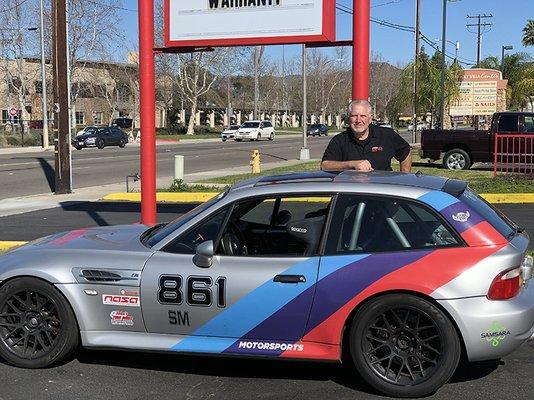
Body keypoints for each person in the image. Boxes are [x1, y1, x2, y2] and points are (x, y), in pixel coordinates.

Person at [321, 100, 412, 172]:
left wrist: (404, 177)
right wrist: (351, 165)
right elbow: (325, 166)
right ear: (349, 118)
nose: (358, 120)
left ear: (370, 118)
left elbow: (405, 152)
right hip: (351, 191)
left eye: (363, 116)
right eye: (354, 116)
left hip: (383, 191)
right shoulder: (339, 140)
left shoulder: (386, 135)